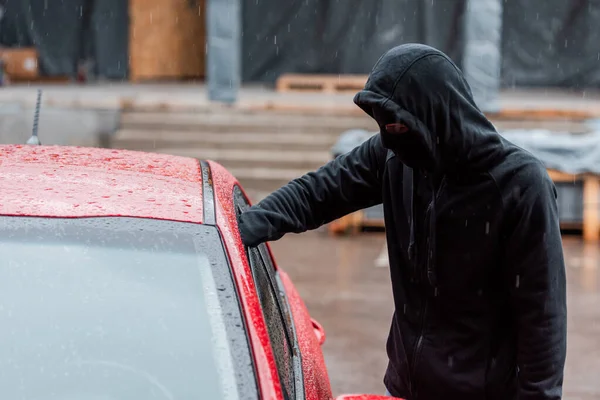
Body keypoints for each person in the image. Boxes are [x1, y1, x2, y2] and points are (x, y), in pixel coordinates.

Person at [238, 44, 567, 400]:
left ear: (435, 115)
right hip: (404, 388)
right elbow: (316, 192)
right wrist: (240, 229)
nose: (388, 139)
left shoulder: (520, 185)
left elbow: (542, 319)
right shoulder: (393, 156)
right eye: (382, 126)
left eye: (397, 126)